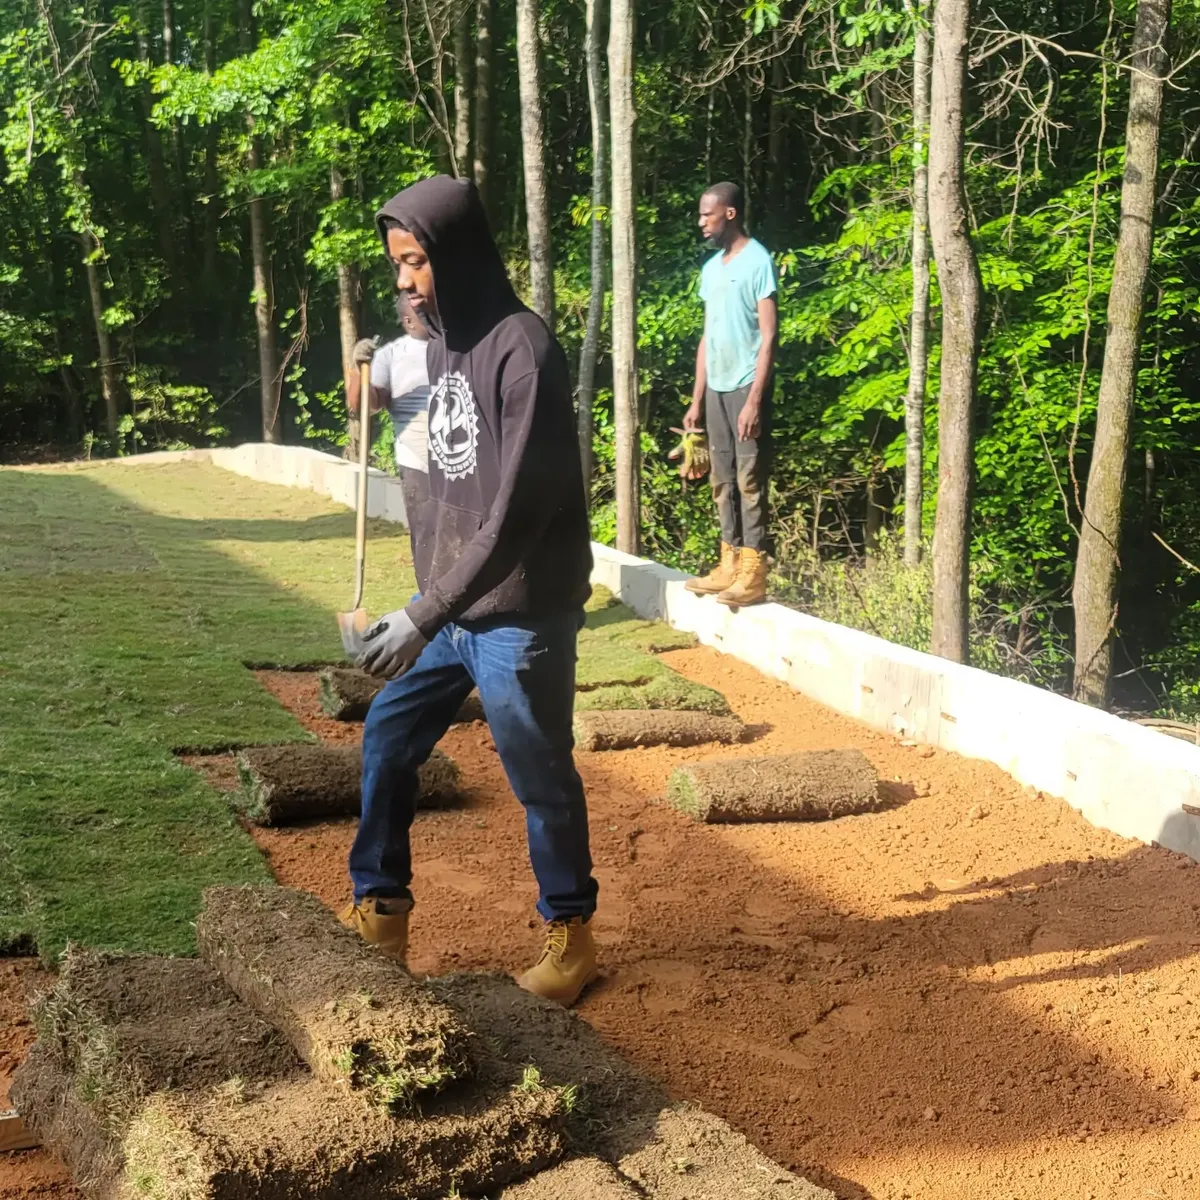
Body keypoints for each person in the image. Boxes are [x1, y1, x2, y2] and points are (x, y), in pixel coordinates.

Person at [341, 175, 600, 1007]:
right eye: (398, 266)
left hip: (522, 610)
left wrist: (423, 612)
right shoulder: (440, 344)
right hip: (456, 609)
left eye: (416, 262)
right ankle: (380, 909)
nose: (406, 281)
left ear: (455, 255)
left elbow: (519, 513)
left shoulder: (524, 351)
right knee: (388, 733)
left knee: (537, 769)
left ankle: (572, 932)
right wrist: (423, 604)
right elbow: (435, 478)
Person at [683, 181, 778, 608]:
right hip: (716, 386)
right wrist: (696, 399)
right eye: (701, 215)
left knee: (749, 480)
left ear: (730, 214)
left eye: (709, 214)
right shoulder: (711, 269)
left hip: (745, 385)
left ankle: (754, 573)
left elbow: (770, 333)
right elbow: (708, 335)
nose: (702, 222)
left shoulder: (758, 261)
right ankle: (728, 563)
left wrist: (755, 399)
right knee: (722, 480)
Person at [347, 293, 432, 547]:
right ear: (407, 319)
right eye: (422, 310)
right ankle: (429, 587)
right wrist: (359, 368)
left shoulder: (456, 347)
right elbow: (364, 405)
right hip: (418, 462)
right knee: (427, 534)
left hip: (461, 458)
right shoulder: (391, 355)